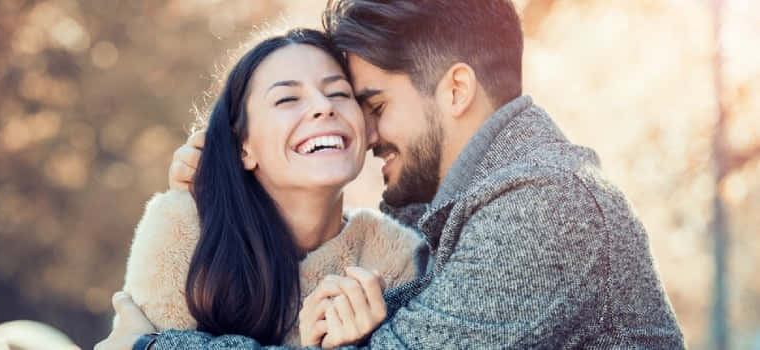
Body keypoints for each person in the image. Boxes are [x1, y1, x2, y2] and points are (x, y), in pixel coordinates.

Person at [100, 0, 686, 348]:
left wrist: (151, 343)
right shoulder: (479, 207)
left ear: (456, 89)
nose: (367, 130)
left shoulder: (546, 206)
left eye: (372, 104)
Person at [101, 28, 426, 350]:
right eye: (287, 98)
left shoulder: (397, 259)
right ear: (243, 148)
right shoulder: (183, 230)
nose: (323, 107)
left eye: (339, 93)